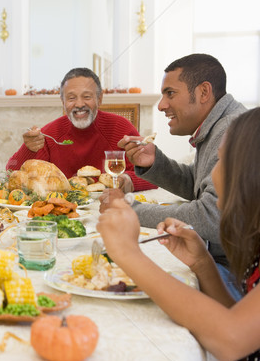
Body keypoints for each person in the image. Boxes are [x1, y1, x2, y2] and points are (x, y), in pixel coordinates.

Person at [97, 103, 260, 361]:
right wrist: (202, 263)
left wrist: (129, 253)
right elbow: (238, 317)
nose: (212, 175)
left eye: (222, 161)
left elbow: (230, 338)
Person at [100, 54, 246, 297]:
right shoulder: (217, 125)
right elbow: (198, 185)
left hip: (234, 276)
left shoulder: (231, 131)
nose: (161, 105)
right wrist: (156, 162)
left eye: (170, 93)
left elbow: (212, 216)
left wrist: (129, 210)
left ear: (203, 92)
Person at [6, 67, 156, 192]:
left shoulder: (120, 128)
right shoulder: (50, 133)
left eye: (87, 96)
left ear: (99, 99)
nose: (79, 104)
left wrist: (127, 180)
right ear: (62, 102)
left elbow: (153, 175)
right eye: (71, 98)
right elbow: (11, 173)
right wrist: (29, 148)